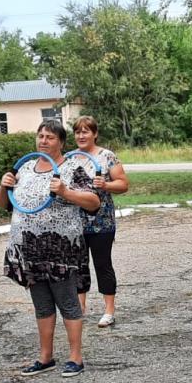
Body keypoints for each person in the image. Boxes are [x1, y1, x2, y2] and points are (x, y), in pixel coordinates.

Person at [0, 120, 101, 377]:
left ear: (61, 142)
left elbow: (93, 202)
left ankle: (76, 357)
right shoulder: (25, 168)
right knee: (42, 304)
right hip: (29, 248)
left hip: (61, 248)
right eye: (40, 136)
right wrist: (3, 186)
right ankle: (46, 357)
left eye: (50, 137)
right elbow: (3, 203)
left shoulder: (73, 167)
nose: (43, 141)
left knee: (67, 302)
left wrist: (66, 191)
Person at [71, 116, 129, 327]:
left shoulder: (107, 156)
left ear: (95, 134)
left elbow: (123, 184)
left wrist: (105, 185)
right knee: (78, 265)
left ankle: (109, 311)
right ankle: (80, 309)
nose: (81, 135)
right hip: (75, 222)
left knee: (102, 264)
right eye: (78, 132)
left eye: (86, 131)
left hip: (102, 221)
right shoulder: (70, 158)